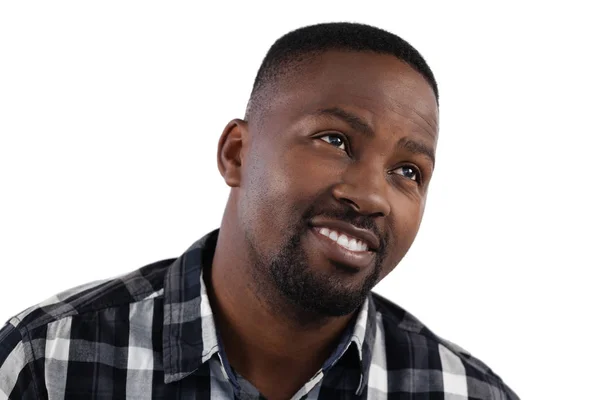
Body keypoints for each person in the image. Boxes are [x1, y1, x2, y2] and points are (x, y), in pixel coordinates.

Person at [0, 22, 519, 400]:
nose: (371, 196)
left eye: (408, 172)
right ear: (237, 154)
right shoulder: (46, 363)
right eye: (335, 140)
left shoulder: (470, 394)